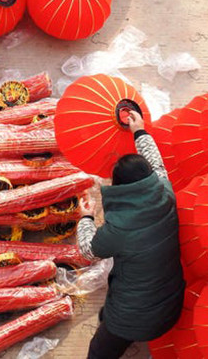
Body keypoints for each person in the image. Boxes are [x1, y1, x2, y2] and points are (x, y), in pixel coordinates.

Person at [77, 110, 185, 359]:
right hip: (171, 305)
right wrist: (139, 131)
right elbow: (156, 164)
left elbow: (88, 250)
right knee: (114, 309)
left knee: (98, 352)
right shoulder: (165, 192)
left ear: (118, 187)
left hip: (132, 319)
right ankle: (110, 318)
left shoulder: (118, 229)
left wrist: (86, 218)